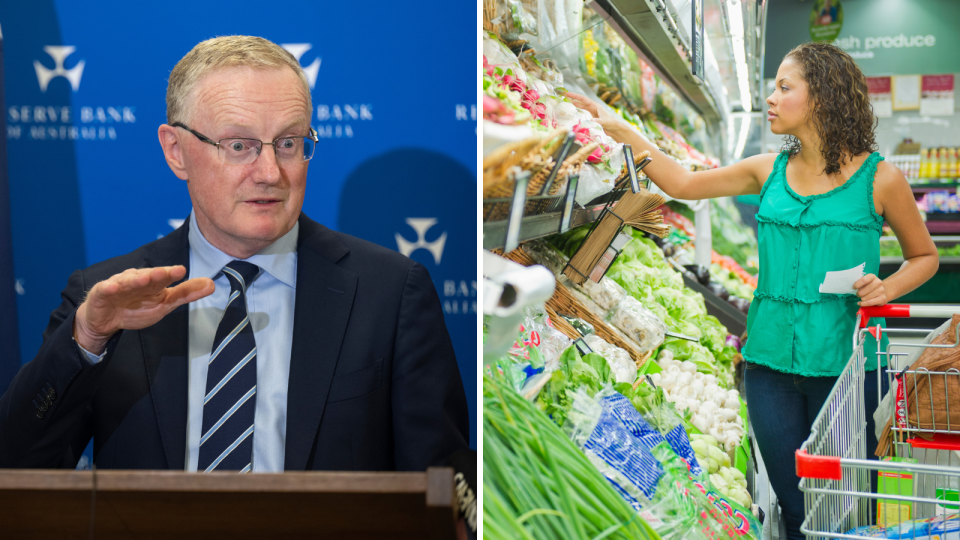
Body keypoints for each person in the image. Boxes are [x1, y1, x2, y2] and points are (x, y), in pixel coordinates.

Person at [0, 35, 469, 473]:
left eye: (288, 143)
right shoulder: (105, 299)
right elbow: (18, 463)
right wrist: (87, 338)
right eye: (239, 145)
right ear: (176, 150)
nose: (270, 172)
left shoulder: (390, 293)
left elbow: (444, 494)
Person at [567, 42, 937, 540]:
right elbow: (682, 183)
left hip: (846, 369)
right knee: (795, 505)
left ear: (822, 97)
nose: (771, 98)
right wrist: (617, 129)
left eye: (784, 88)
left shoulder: (880, 179)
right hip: (768, 367)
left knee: (848, 505)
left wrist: (885, 286)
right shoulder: (767, 169)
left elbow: (924, 256)